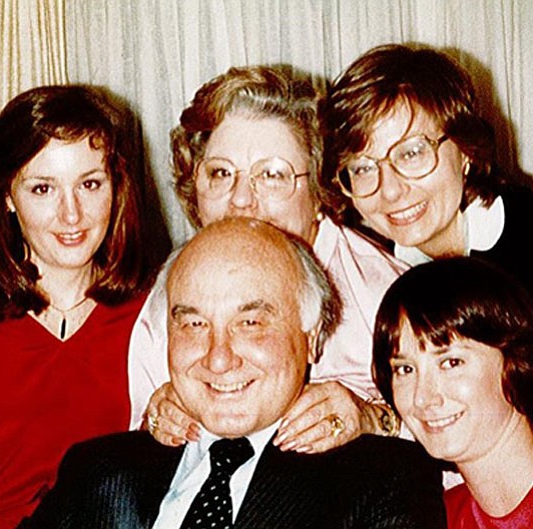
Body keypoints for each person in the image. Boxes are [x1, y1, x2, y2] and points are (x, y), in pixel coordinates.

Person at [18, 217, 445, 529]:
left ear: (312, 337)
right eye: (194, 324)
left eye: (251, 323)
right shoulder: (96, 469)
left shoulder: (381, 479)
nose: (218, 358)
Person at [323, 43, 533, 443]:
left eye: (411, 153)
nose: (388, 191)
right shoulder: (379, 270)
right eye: (363, 168)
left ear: (466, 151)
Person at [129, 65, 408, 453]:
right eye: (221, 173)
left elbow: (463, 446)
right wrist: (156, 421)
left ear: (320, 188)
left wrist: (373, 418)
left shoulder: (387, 296)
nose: (242, 199)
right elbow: (139, 462)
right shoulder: (171, 292)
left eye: (273, 175)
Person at [0, 85, 158, 527]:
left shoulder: (152, 317)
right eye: (43, 189)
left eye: (90, 184)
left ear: (117, 187)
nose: (72, 214)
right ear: (5, 195)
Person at [372, 257, 533, 529]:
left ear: (515, 361)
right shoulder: (435, 518)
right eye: (404, 369)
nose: (423, 398)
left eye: (451, 362)